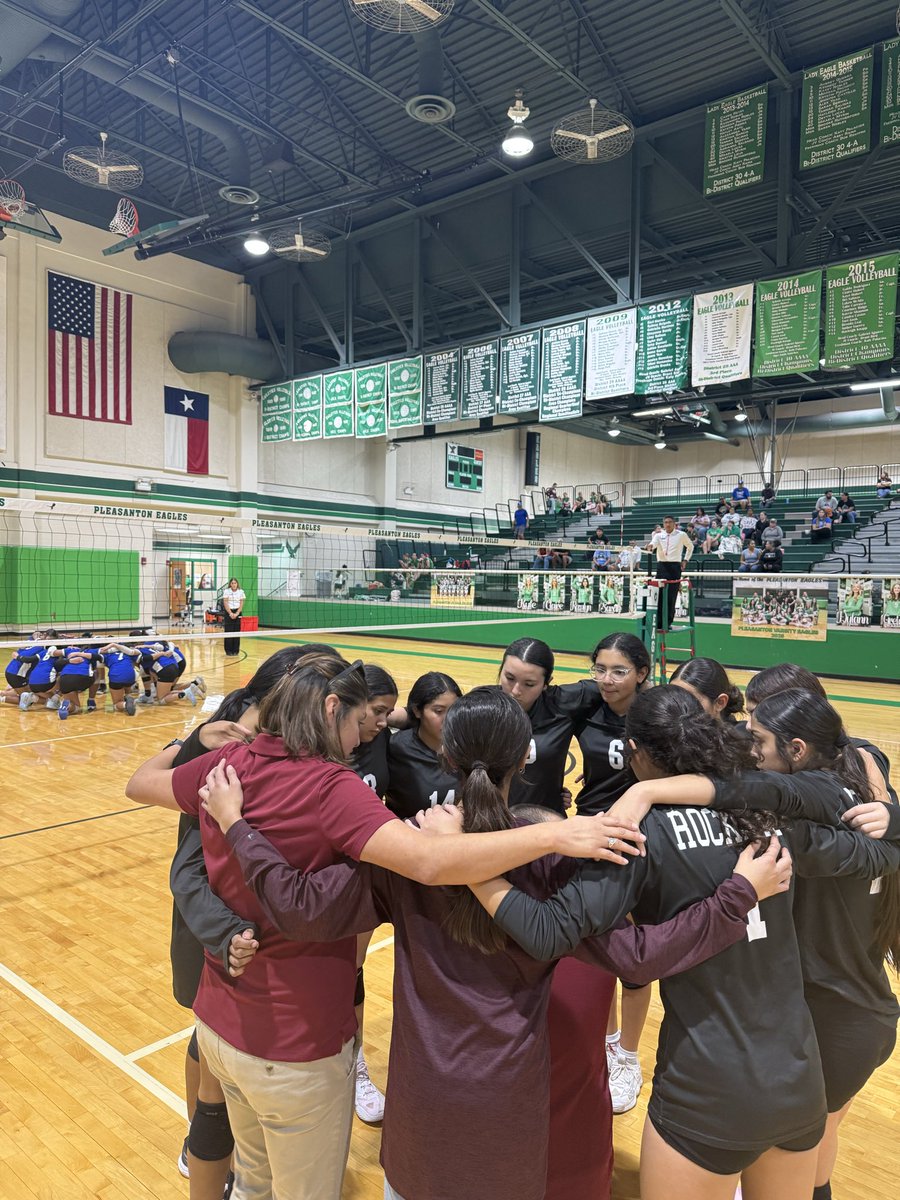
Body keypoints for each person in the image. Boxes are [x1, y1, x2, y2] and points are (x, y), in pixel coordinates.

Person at [200, 686, 788, 1200]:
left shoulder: (408, 852)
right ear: (526, 754)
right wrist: (738, 893)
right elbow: (642, 956)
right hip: (508, 1120)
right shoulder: (557, 855)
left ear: (447, 756)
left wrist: (236, 827)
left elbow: (300, 909)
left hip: (421, 1116)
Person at [126, 655, 650, 1200]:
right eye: (361, 721)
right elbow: (426, 864)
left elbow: (142, 785)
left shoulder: (230, 764)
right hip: (296, 1040)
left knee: (254, 1182)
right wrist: (555, 835)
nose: (362, 740)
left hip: (220, 1023)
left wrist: (196, 747)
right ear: (331, 708)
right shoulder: (336, 790)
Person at [474, 685, 832, 1200]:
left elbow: (547, 931)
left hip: (709, 1083)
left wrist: (470, 869)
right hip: (798, 1073)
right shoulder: (762, 804)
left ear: (635, 753)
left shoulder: (640, 832)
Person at [615, 689, 900, 1200]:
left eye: (756, 735)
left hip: (829, 1022)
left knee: (814, 1161)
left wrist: (647, 794)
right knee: (809, 1148)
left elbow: (760, 791)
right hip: (820, 1035)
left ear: (795, 749)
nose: (745, 744)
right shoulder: (835, 797)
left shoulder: (801, 809)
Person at [573, 633, 652, 1114]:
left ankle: (628, 1054)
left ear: (641, 673)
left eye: (618, 670)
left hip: (642, 838)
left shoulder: (657, 714)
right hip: (587, 833)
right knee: (599, 943)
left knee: (635, 947)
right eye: (599, 668)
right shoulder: (585, 708)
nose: (606, 679)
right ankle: (606, 1042)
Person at [349, 664, 399, 1124]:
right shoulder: (322, 746)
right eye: (377, 712)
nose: (384, 721)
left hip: (360, 876)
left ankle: (355, 1064)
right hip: (313, 877)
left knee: (354, 968)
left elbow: (407, 715)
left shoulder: (380, 736)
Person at [498, 637, 604, 815]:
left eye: (529, 684)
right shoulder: (482, 706)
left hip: (548, 824)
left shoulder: (563, 704)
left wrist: (601, 768)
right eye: (509, 678)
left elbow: (619, 689)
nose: (515, 690)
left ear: (546, 683)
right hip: (495, 824)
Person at [385, 672, 462, 819]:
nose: (448, 719)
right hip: (406, 837)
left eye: (453, 710)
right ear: (417, 710)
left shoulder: (466, 747)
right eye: (438, 711)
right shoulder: (396, 748)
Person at [646, 515, 693, 631]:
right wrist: (650, 546)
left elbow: (690, 547)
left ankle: (668, 623)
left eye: (670, 522)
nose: (667, 524)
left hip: (674, 567)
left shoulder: (681, 535)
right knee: (660, 596)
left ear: (674, 523)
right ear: (663, 524)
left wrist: (685, 560)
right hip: (661, 567)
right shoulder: (658, 535)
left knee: (671, 597)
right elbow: (653, 544)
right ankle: (658, 623)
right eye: (665, 522)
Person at [670, 657, 744, 722]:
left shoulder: (738, 736)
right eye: (674, 698)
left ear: (720, 702)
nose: (678, 707)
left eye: (690, 700)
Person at [98, 641, 143, 715]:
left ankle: (125, 704)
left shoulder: (106, 655)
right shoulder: (128, 653)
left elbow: (99, 665)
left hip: (116, 677)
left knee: (116, 705)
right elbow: (138, 660)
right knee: (127, 676)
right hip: (131, 677)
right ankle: (128, 696)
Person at [221, 577, 246, 657]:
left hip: (237, 612)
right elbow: (225, 603)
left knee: (236, 632)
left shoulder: (241, 592)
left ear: (237, 584)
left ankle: (235, 651)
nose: (234, 584)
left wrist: (237, 613)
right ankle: (228, 651)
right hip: (229, 612)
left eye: (235, 583)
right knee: (229, 632)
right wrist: (230, 613)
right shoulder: (226, 591)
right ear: (230, 584)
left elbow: (241, 604)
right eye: (232, 583)